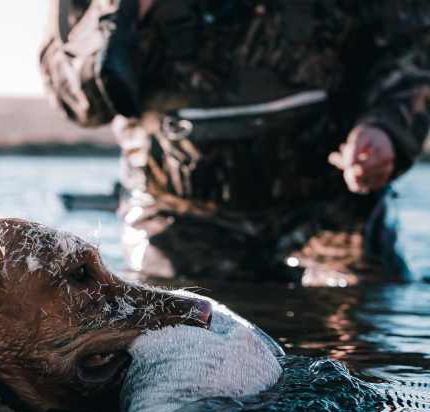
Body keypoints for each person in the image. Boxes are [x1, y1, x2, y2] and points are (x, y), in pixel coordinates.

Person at [40, 0, 430, 285]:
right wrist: (121, 15)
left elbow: (414, 47)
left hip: (335, 210)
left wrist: (388, 128)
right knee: (176, 358)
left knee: (364, 371)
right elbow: (78, 102)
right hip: (177, 220)